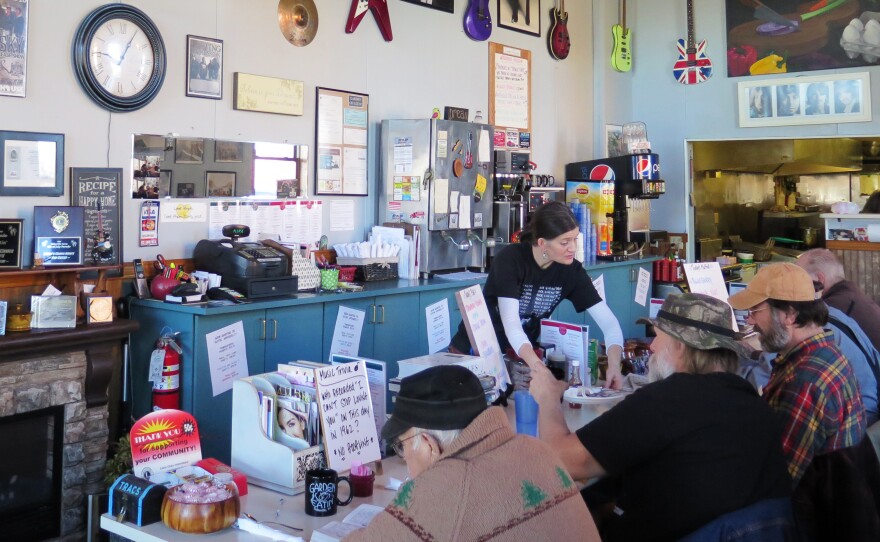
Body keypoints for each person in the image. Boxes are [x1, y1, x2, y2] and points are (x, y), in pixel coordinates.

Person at [526, 293, 792, 541]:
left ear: (680, 344)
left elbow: (560, 461)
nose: (652, 347)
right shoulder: (753, 403)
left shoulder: (668, 400)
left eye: (656, 336)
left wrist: (548, 398)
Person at [345, 365, 600, 541]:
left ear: (428, 444)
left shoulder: (443, 490)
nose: (404, 459)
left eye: (403, 446)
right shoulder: (537, 449)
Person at [450, 201, 626, 389]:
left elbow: (610, 324)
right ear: (542, 243)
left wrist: (614, 365)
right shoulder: (511, 260)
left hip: (519, 358)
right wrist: (538, 367)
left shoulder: (571, 271)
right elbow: (512, 326)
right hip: (475, 354)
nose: (573, 248)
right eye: (564, 242)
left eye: (575, 239)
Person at [728, 263, 865, 484]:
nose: (750, 320)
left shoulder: (804, 381)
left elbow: (778, 478)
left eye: (755, 311)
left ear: (790, 315)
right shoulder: (826, 353)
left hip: (808, 511)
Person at [797, 248, 880, 353]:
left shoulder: (833, 309)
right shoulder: (850, 294)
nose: (795, 284)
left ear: (819, 279)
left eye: (799, 277)